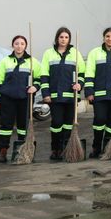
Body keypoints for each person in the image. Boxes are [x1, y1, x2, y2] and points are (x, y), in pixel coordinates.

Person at [0, 35, 41, 163]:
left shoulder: (32, 62)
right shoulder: (5, 61)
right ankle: (3, 151)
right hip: (7, 99)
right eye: (16, 43)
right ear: (12, 45)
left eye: (22, 44)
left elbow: (40, 79)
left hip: (25, 98)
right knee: (5, 126)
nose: (19, 46)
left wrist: (35, 87)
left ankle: (23, 150)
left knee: (23, 126)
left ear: (26, 46)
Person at [40, 27, 85, 161]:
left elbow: (82, 74)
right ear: (57, 38)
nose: (63, 39)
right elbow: (44, 75)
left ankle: (67, 148)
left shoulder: (75, 53)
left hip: (71, 96)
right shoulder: (48, 53)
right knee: (56, 123)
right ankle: (56, 148)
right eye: (61, 37)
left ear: (69, 39)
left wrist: (80, 84)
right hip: (55, 96)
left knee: (68, 124)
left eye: (66, 37)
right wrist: (46, 93)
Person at [84, 28, 111, 158]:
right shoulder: (94, 53)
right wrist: (89, 92)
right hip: (99, 94)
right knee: (100, 119)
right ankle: (96, 147)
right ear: (103, 38)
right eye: (107, 36)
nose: (110, 38)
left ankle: (108, 148)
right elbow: (89, 73)